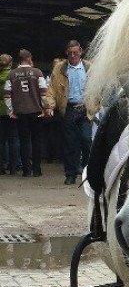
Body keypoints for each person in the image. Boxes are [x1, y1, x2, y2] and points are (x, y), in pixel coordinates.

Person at [46, 40, 94, 185]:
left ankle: (87, 173)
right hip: (69, 109)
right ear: (66, 53)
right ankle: (70, 174)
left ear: (80, 52)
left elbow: (99, 86)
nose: (73, 55)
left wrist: (98, 105)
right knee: (70, 143)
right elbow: (52, 90)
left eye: (75, 52)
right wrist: (49, 106)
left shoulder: (90, 67)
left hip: (86, 108)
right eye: (70, 53)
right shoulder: (60, 69)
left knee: (87, 140)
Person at [3, 49, 48, 177]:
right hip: (36, 111)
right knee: (36, 141)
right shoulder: (37, 72)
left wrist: (10, 111)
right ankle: (37, 169)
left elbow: (7, 94)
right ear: (29, 58)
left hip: (20, 112)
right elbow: (43, 92)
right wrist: (46, 107)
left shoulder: (12, 74)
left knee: (24, 141)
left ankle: (26, 170)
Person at [0, 53, 20, 175]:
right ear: (11, 63)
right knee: (13, 139)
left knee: (1, 141)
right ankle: (14, 167)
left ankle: (1, 167)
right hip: (11, 109)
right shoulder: (13, 75)